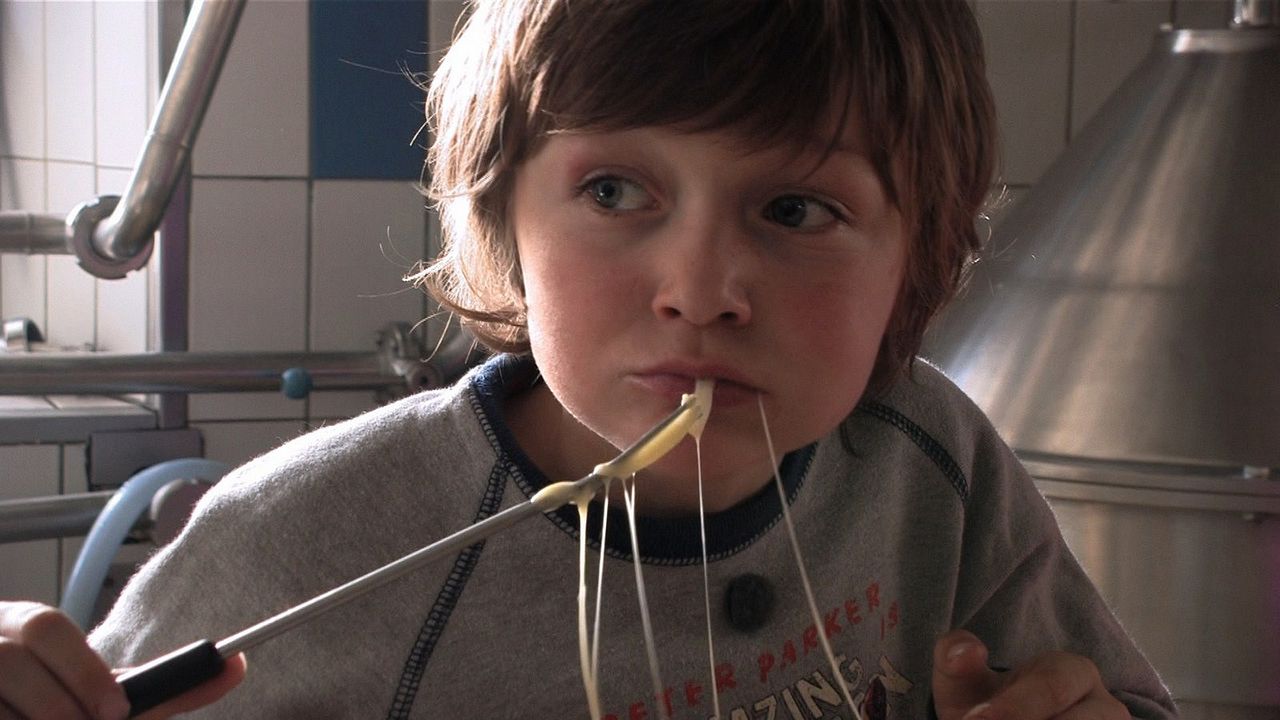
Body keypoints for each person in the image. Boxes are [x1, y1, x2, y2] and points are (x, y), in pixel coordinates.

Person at [0, 1, 1178, 718]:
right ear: (504, 218)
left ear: (914, 252)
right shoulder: (306, 539)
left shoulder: (933, 466)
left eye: (797, 211)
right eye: (614, 192)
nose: (701, 293)